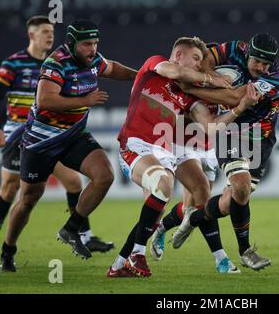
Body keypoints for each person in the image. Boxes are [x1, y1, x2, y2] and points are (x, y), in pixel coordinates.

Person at [106, 36, 259, 278]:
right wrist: (211, 78)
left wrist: (239, 108)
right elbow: (174, 71)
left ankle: (119, 264)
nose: (200, 64)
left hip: (167, 152)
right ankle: (137, 253)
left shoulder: (188, 96)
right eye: (196, 58)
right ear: (178, 54)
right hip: (136, 145)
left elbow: (210, 127)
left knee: (194, 195)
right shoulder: (155, 65)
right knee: (163, 188)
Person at [0, 19, 137, 272]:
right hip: (40, 141)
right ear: (72, 43)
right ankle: (8, 250)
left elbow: (113, 68)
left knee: (104, 176)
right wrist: (86, 99)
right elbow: (45, 100)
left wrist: (139, 77)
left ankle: (71, 228)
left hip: (73, 135)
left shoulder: (92, 59)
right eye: (86, 44)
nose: (92, 49)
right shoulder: (56, 63)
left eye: (95, 43)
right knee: (28, 199)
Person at [0, 16, 113, 259]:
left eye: (52, 31)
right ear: (32, 35)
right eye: (44, 32)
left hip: (62, 135)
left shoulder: (70, 61)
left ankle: (81, 234)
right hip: (23, 135)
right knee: (13, 191)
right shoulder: (15, 63)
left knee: (75, 182)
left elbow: (109, 68)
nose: (50, 35)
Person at [171, 33, 279, 271]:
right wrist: (211, 76)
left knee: (230, 202)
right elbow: (205, 60)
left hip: (260, 139)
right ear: (248, 53)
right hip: (231, 130)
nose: (261, 68)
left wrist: (190, 90)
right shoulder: (234, 49)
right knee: (241, 186)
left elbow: (234, 97)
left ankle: (193, 218)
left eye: (267, 63)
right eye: (257, 61)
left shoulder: (274, 79)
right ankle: (246, 252)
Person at [150, 101, 241, 274]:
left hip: (209, 148)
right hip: (182, 145)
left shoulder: (222, 77)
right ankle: (221, 259)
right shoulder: (192, 78)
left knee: (190, 208)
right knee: (203, 196)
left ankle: (161, 228)